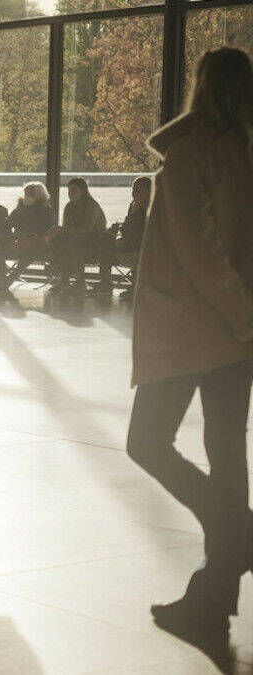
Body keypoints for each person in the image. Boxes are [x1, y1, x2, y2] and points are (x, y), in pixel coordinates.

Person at [125, 47, 253, 640]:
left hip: (189, 325)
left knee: (147, 442)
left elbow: (199, 252)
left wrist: (240, 314)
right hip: (238, 331)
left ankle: (237, 536)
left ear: (198, 87)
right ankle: (213, 595)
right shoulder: (245, 149)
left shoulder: (189, 152)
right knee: (227, 451)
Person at [0, 181, 57, 296]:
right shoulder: (20, 208)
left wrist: (29, 233)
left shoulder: (46, 210)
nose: (27, 197)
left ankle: (9, 279)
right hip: (20, 241)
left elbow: (49, 228)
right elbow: (7, 224)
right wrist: (0, 236)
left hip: (37, 242)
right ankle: (3, 277)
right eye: (26, 194)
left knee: (29, 253)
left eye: (30, 194)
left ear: (38, 195)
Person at [49, 177, 108, 293]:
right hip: (76, 240)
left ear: (82, 191)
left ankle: (79, 281)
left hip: (95, 242)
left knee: (72, 243)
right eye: (69, 190)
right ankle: (63, 278)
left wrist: (64, 230)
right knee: (57, 241)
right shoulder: (69, 207)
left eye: (74, 190)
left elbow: (87, 230)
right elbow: (66, 228)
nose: (70, 193)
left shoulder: (92, 206)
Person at [115, 176, 152, 300]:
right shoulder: (134, 206)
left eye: (138, 190)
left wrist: (125, 240)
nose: (134, 193)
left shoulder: (151, 208)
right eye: (133, 189)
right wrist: (120, 236)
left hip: (145, 244)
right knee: (106, 242)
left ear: (149, 191)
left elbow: (145, 231)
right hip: (132, 242)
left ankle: (137, 287)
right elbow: (125, 226)